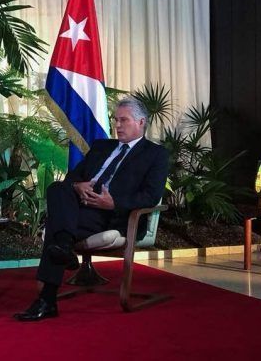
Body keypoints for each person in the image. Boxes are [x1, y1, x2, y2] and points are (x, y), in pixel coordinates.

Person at [14, 97, 169, 321]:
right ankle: (65, 246)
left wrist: (113, 203)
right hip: (79, 205)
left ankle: (47, 299)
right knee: (58, 188)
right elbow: (73, 177)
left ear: (141, 122)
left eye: (123, 120)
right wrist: (78, 186)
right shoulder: (101, 146)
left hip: (111, 214)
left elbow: (150, 195)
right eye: (115, 120)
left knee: (58, 227)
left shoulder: (155, 154)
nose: (117, 125)